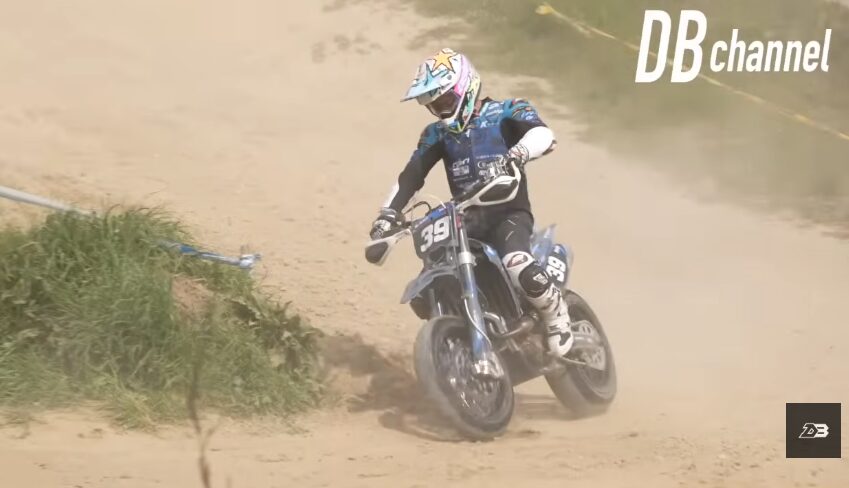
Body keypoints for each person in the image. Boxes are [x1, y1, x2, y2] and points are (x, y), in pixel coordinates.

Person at [368, 48, 574, 358]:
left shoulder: (507, 110)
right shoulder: (436, 134)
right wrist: (388, 214)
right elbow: (411, 176)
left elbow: (543, 134)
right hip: (466, 221)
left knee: (517, 262)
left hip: (508, 212)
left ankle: (557, 316)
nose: (441, 110)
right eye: (434, 105)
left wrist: (517, 154)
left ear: (465, 88)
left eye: (445, 101)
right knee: (432, 278)